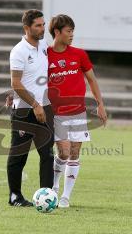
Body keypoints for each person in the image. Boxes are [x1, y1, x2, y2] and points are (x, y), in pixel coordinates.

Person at [47, 14, 107, 208]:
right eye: (68, 31)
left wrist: (100, 104)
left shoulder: (79, 54)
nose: (72, 35)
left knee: (74, 153)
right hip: (57, 114)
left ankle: (65, 196)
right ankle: (54, 187)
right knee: (63, 153)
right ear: (57, 32)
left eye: (73, 31)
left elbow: (92, 79)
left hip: (78, 112)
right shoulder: (45, 55)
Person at [7, 9, 54, 207]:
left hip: (45, 107)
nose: (42, 28)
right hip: (25, 110)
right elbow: (16, 82)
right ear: (27, 28)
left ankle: (47, 196)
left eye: (43, 24)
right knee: (19, 154)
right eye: (38, 25)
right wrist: (35, 104)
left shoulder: (43, 45)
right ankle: (14, 196)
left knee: (47, 154)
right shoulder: (19, 51)